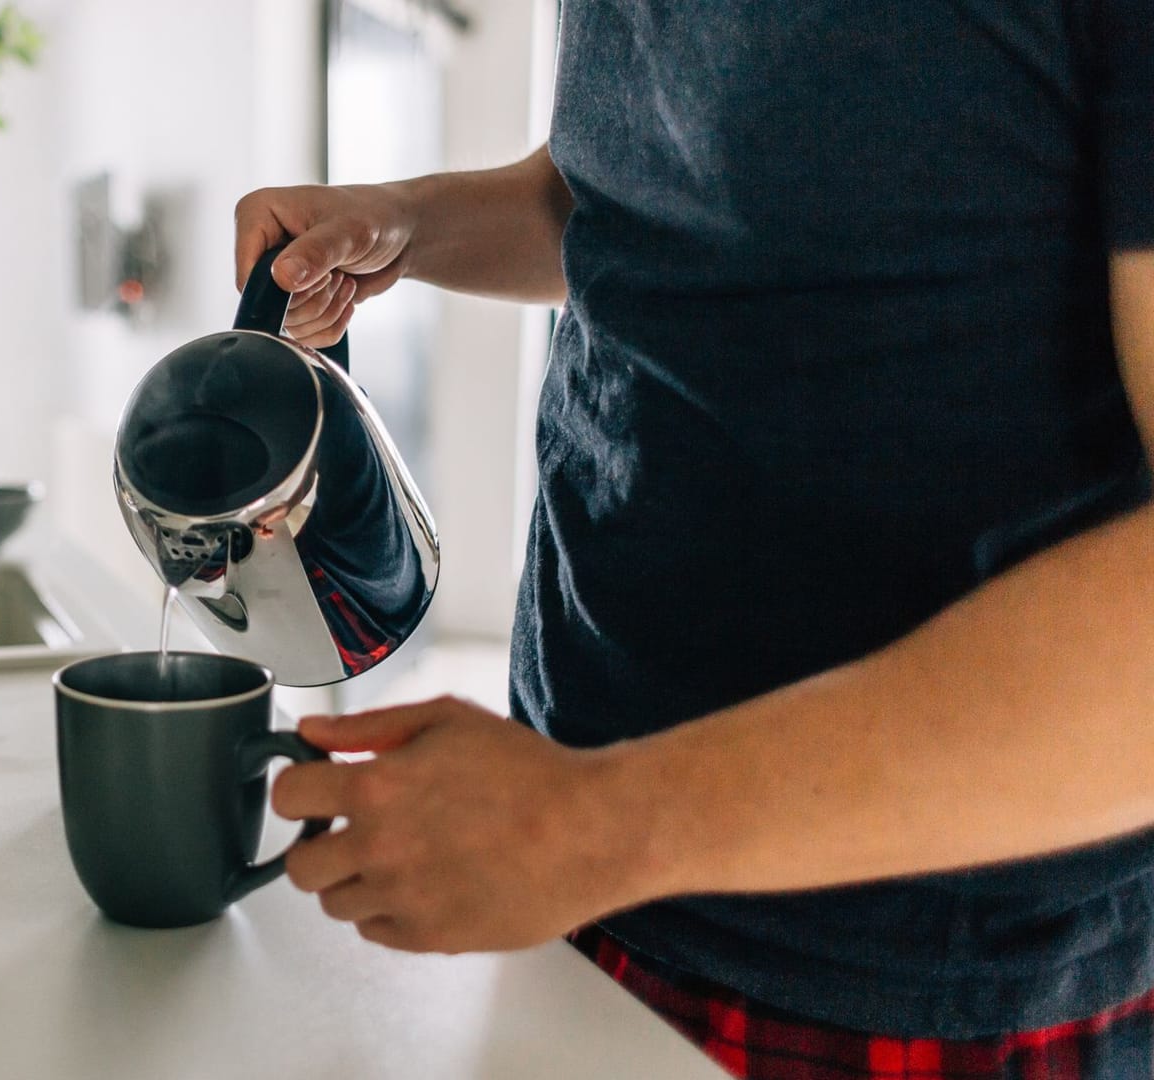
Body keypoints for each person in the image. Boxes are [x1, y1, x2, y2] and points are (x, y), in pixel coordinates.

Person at [237, 5, 1154, 1078]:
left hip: (910, 983)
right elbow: (633, 187)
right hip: (584, 859)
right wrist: (407, 221)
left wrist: (591, 825)